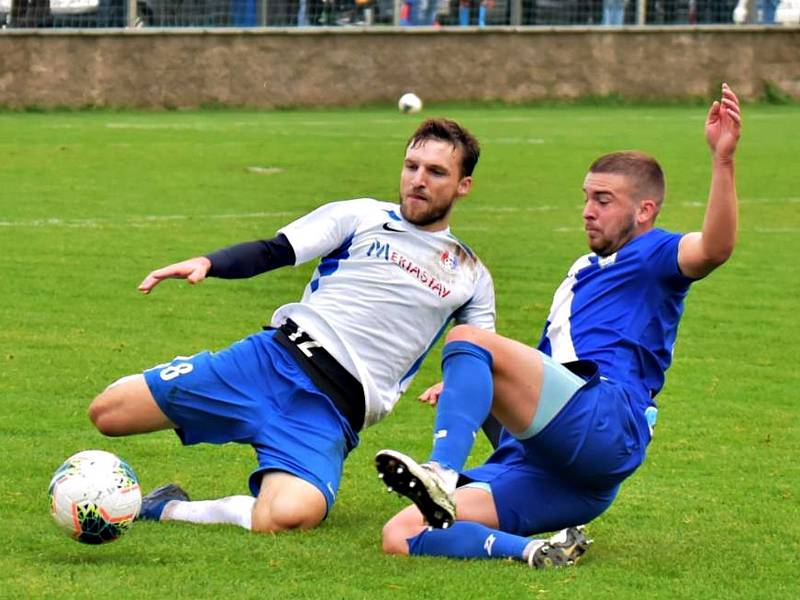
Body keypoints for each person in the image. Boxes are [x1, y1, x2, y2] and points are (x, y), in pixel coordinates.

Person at [375, 84, 741, 568]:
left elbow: (714, 248)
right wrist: (473, 384)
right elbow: (544, 367)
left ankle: (441, 472)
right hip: (564, 479)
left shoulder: (652, 255)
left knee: (468, 338)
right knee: (400, 533)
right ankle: (539, 551)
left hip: (606, 419)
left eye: (604, 200)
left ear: (644, 211)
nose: (588, 210)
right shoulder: (583, 271)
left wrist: (723, 160)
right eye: (587, 197)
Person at [87, 118, 496, 534]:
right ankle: (194, 376)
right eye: (412, 166)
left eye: (436, 172)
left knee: (285, 517)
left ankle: (167, 508)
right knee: (107, 414)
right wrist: (209, 263)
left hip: (331, 411)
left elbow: (482, 352)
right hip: (269, 361)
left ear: (464, 185)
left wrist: (458, 380)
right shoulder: (361, 216)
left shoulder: (470, 274)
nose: (418, 180)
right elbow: (275, 251)